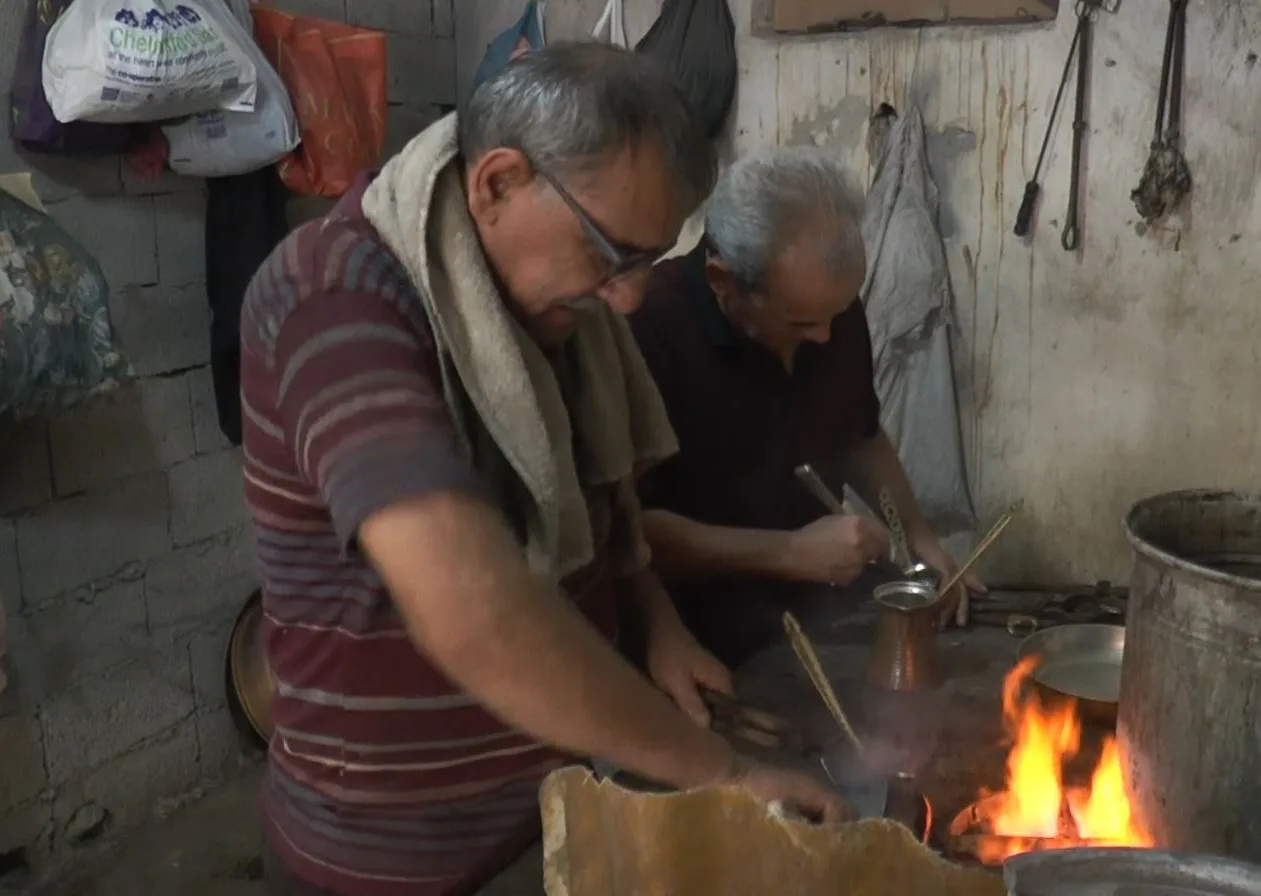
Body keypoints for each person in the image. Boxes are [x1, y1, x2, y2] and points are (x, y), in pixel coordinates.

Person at [238, 45, 845, 896]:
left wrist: (655, 623)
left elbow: (604, 509)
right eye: (612, 252)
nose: (628, 299)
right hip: (387, 866)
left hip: (549, 818)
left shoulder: (551, 308)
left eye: (645, 260)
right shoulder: (336, 301)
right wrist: (722, 774)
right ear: (496, 183)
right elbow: (472, 612)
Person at [628, 148, 984, 670]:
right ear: (724, 282)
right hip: (694, 633)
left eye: (835, 316)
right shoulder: (649, 328)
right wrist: (788, 553)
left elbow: (860, 433)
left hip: (821, 613)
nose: (823, 336)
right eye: (800, 323)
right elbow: (627, 534)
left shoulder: (831, 308)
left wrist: (921, 538)